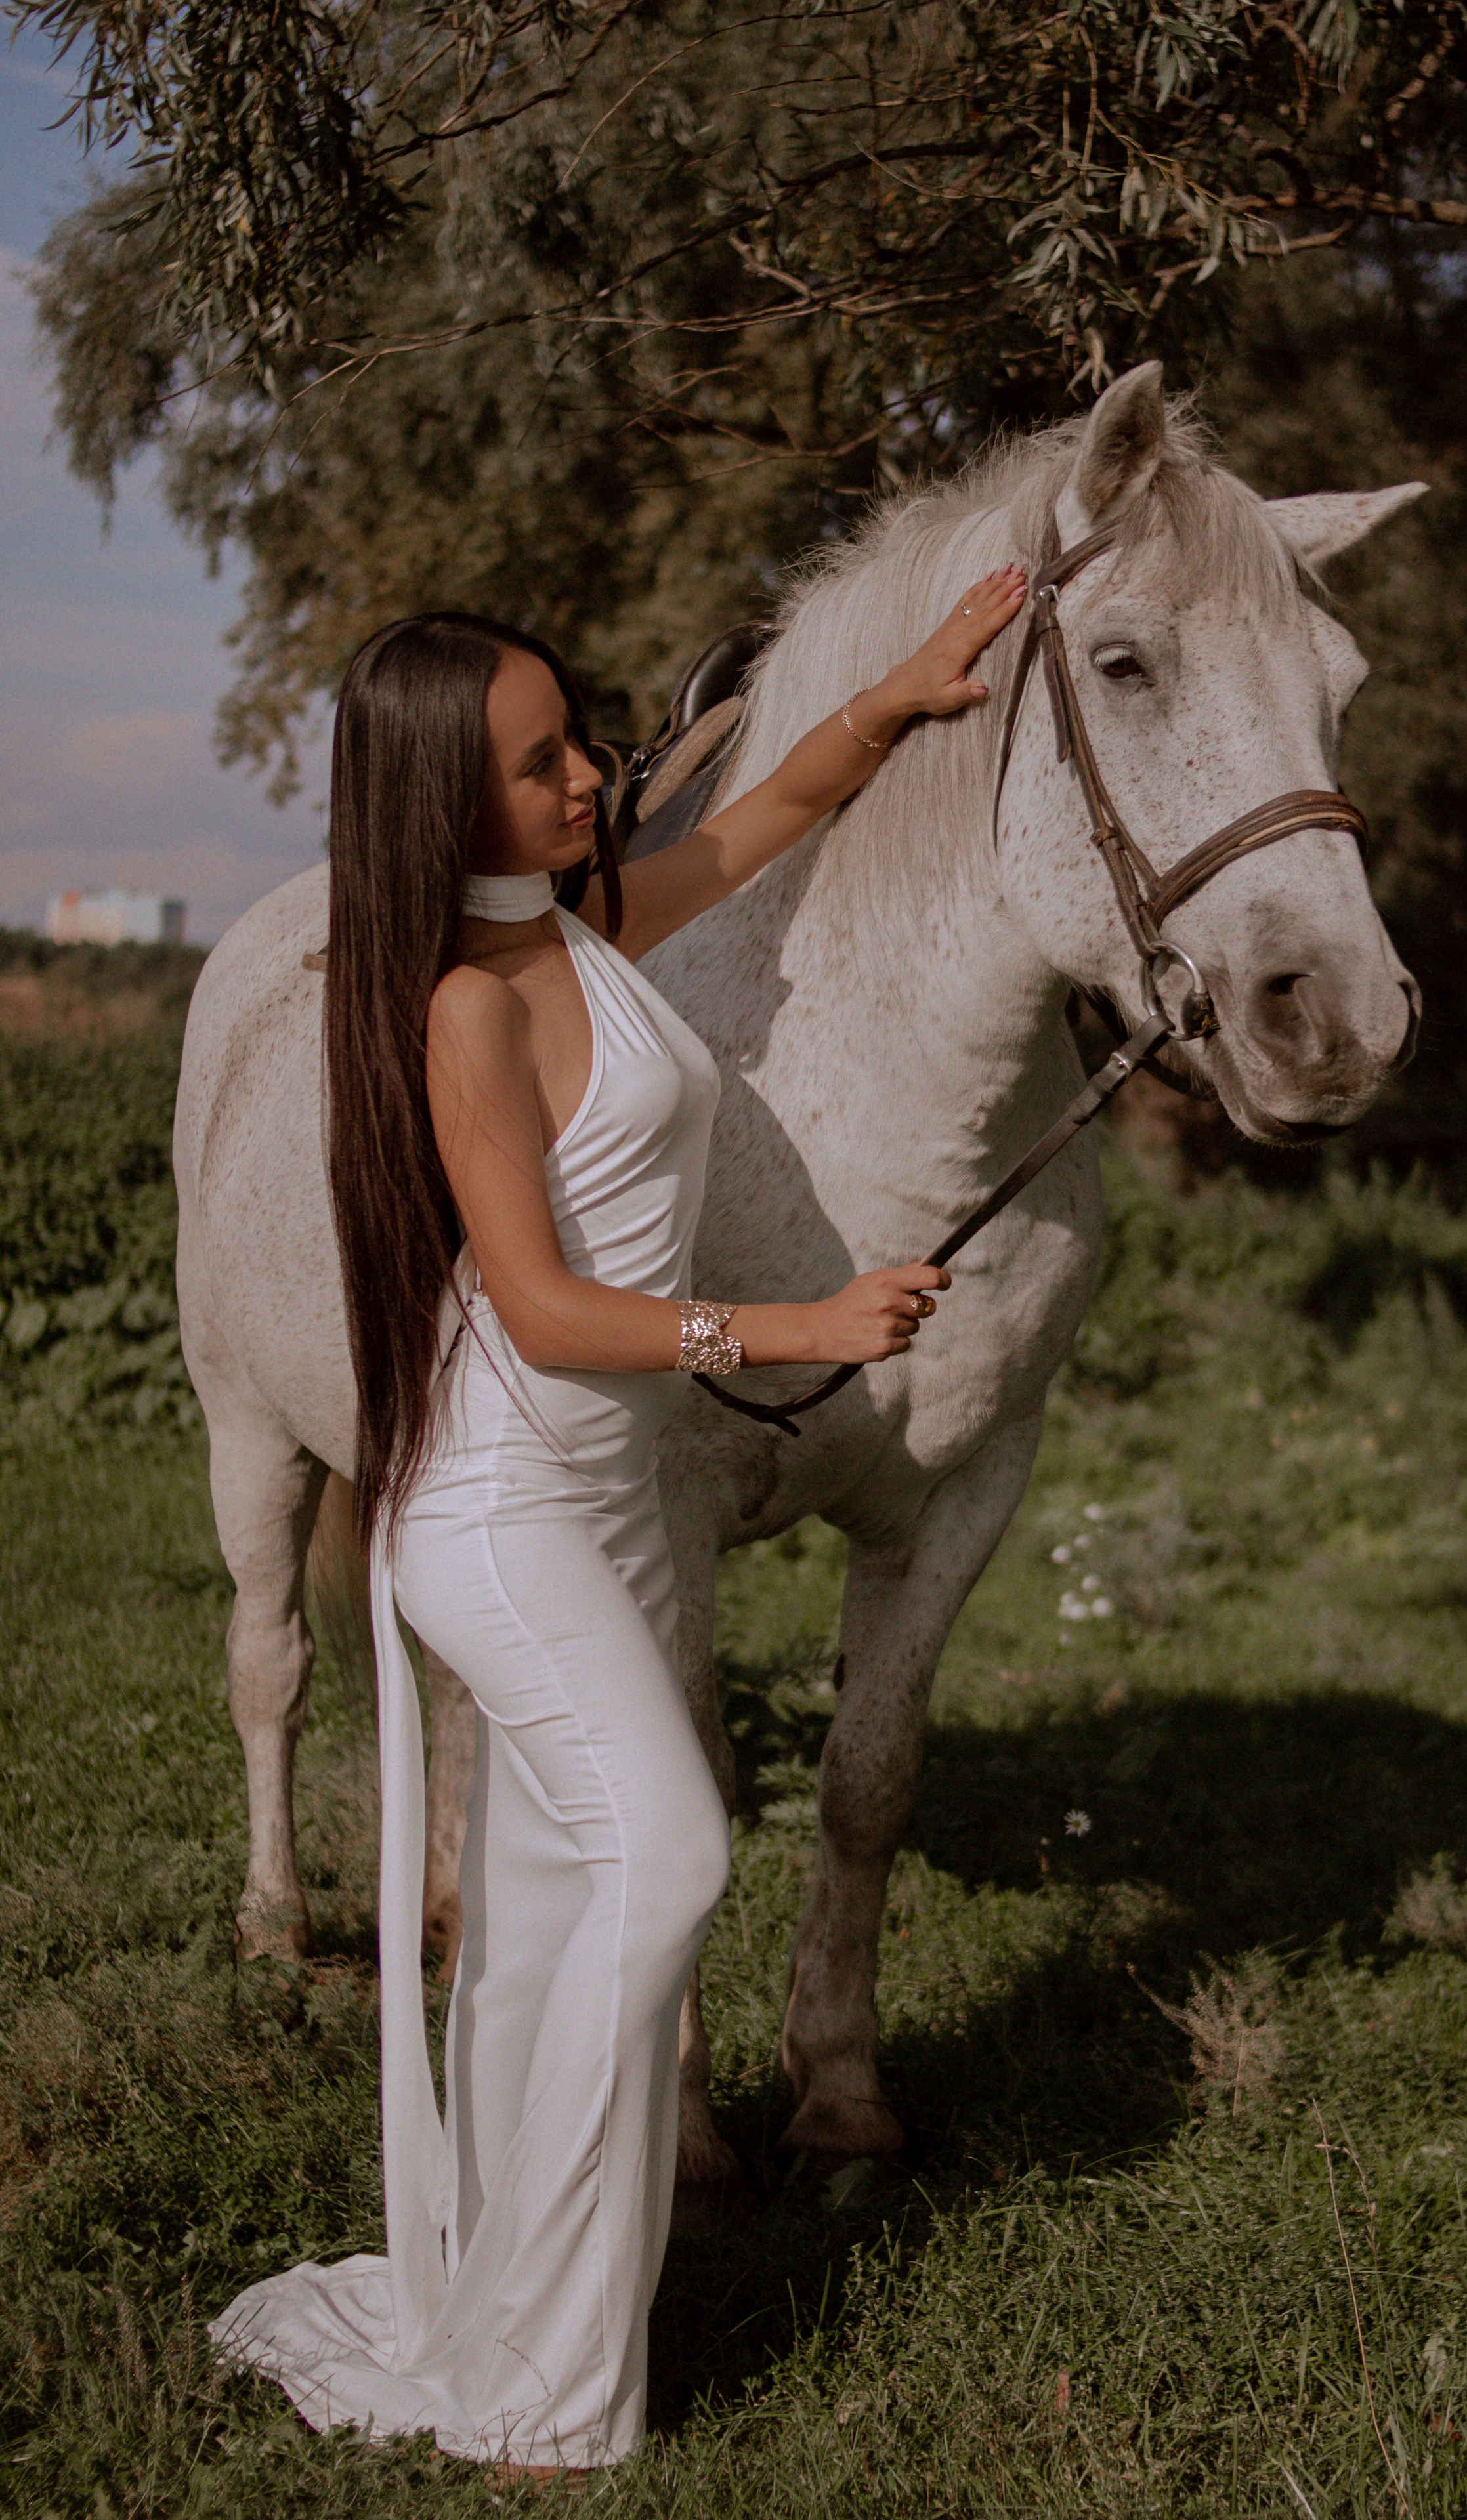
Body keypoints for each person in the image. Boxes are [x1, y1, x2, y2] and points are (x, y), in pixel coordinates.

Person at [211, 566, 1027, 2475]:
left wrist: (897, 697)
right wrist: (800, 1324)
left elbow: (760, 814)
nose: (593, 777)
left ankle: (538, 2314)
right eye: (539, 762)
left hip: (609, 1501)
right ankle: (545, 2386)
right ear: (439, 802)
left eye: (580, 737)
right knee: (665, 1863)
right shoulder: (466, 1016)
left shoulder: (582, 925)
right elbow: (542, 1305)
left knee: (546, 1924)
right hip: (498, 1510)